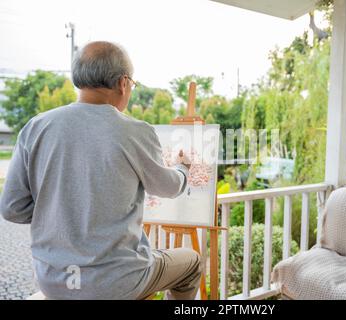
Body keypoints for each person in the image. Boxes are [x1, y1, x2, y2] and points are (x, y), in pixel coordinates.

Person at [0, 41, 202, 300]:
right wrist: (182, 168)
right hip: (116, 281)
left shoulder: (36, 127)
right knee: (191, 263)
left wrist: (60, 214)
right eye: (132, 85)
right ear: (123, 83)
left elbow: (12, 208)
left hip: (53, 281)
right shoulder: (134, 131)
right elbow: (169, 187)